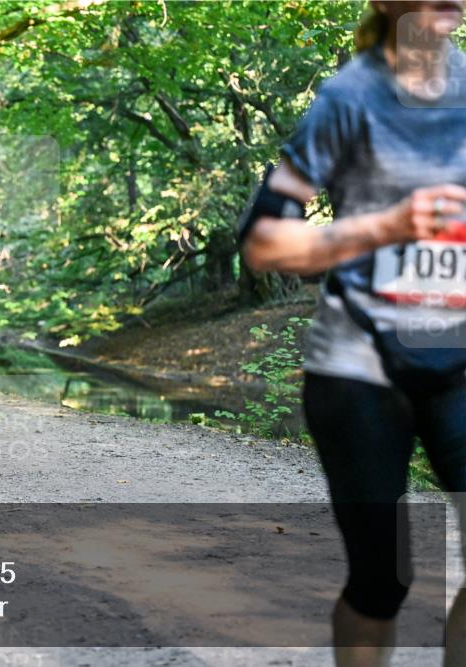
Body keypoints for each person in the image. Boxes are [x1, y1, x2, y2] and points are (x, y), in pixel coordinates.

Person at [238, 2, 466, 665]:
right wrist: (385, 227)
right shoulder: (349, 96)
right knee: (383, 579)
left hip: (455, 355)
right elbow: (262, 239)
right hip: (360, 363)